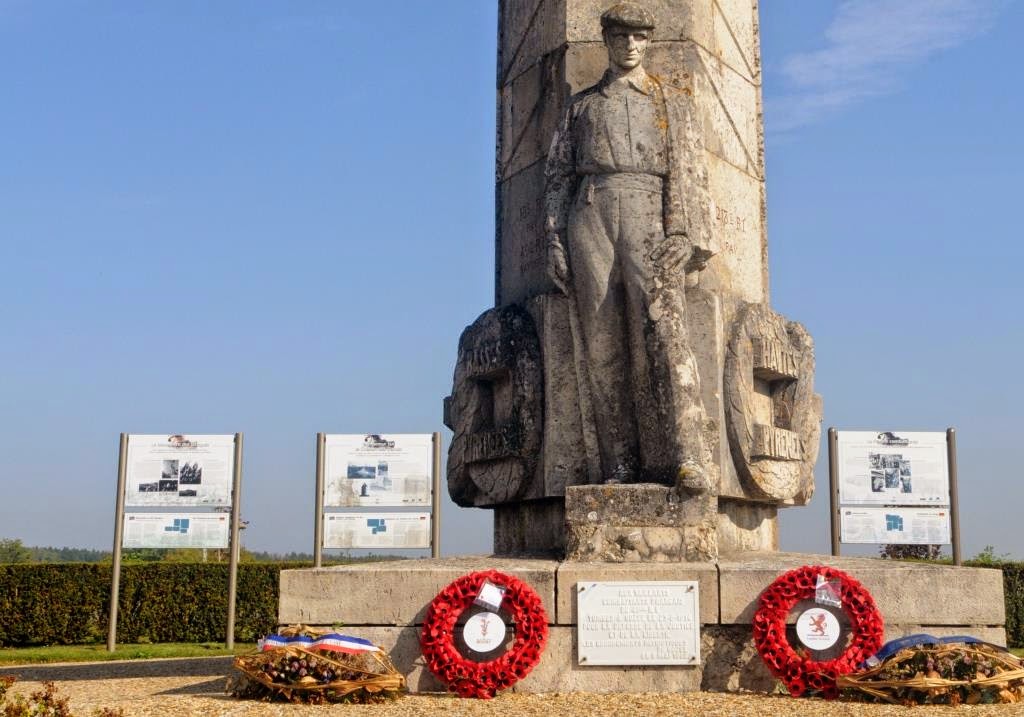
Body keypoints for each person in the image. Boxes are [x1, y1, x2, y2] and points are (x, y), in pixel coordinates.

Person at [544, 2, 713, 489]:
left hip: (647, 208)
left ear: (648, 42)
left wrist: (684, 232)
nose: (631, 46)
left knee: (667, 336)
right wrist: (554, 238)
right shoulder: (581, 107)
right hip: (591, 212)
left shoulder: (666, 102)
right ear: (609, 42)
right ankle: (618, 463)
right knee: (601, 344)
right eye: (622, 38)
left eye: (640, 38)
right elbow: (557, 177)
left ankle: (688, 456)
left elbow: (687, 168)